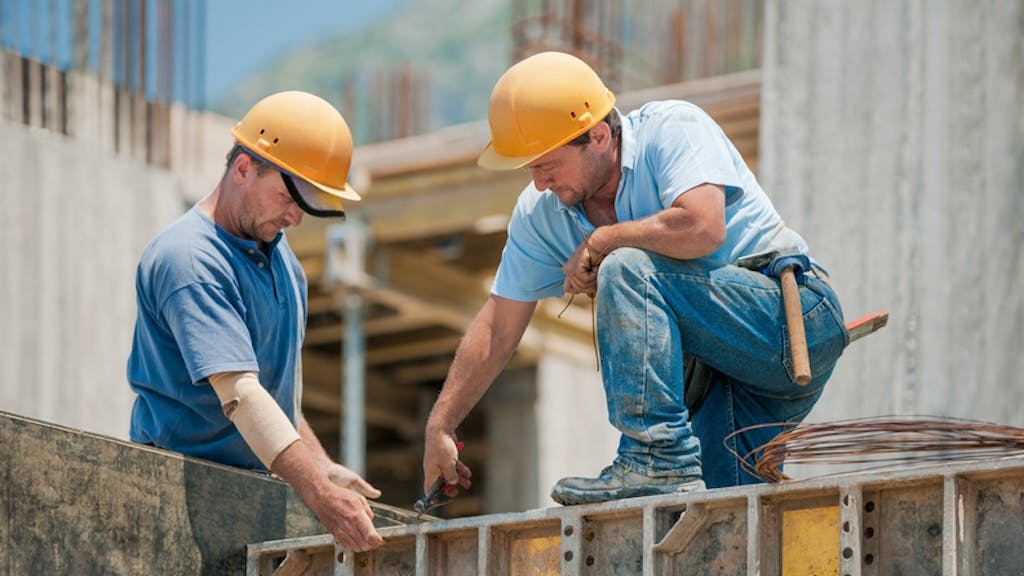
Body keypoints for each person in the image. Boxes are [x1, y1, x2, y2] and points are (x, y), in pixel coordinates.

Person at [422, 51, 848, 506]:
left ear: (599, 135)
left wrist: (606, 239)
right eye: (530, 169)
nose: (540, 183)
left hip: (790, 320)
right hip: (721, 376)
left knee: (626, 266)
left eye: (547, 165)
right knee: (725, 519)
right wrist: (440, 425)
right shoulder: (541, 213)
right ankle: (666, 466)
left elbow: (704, 227)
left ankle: (656, 460)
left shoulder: (672, 130)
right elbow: (498, 325)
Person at [127, 91, 384, 551]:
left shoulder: (283, 264)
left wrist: (322, 467)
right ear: (243, 168)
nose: (295, 217)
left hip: (246, 497)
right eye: (288, 196)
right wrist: (318, 494)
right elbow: (241, 395)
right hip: (177, 499)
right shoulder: (190, 260)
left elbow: (269, 394)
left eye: (306, 204)